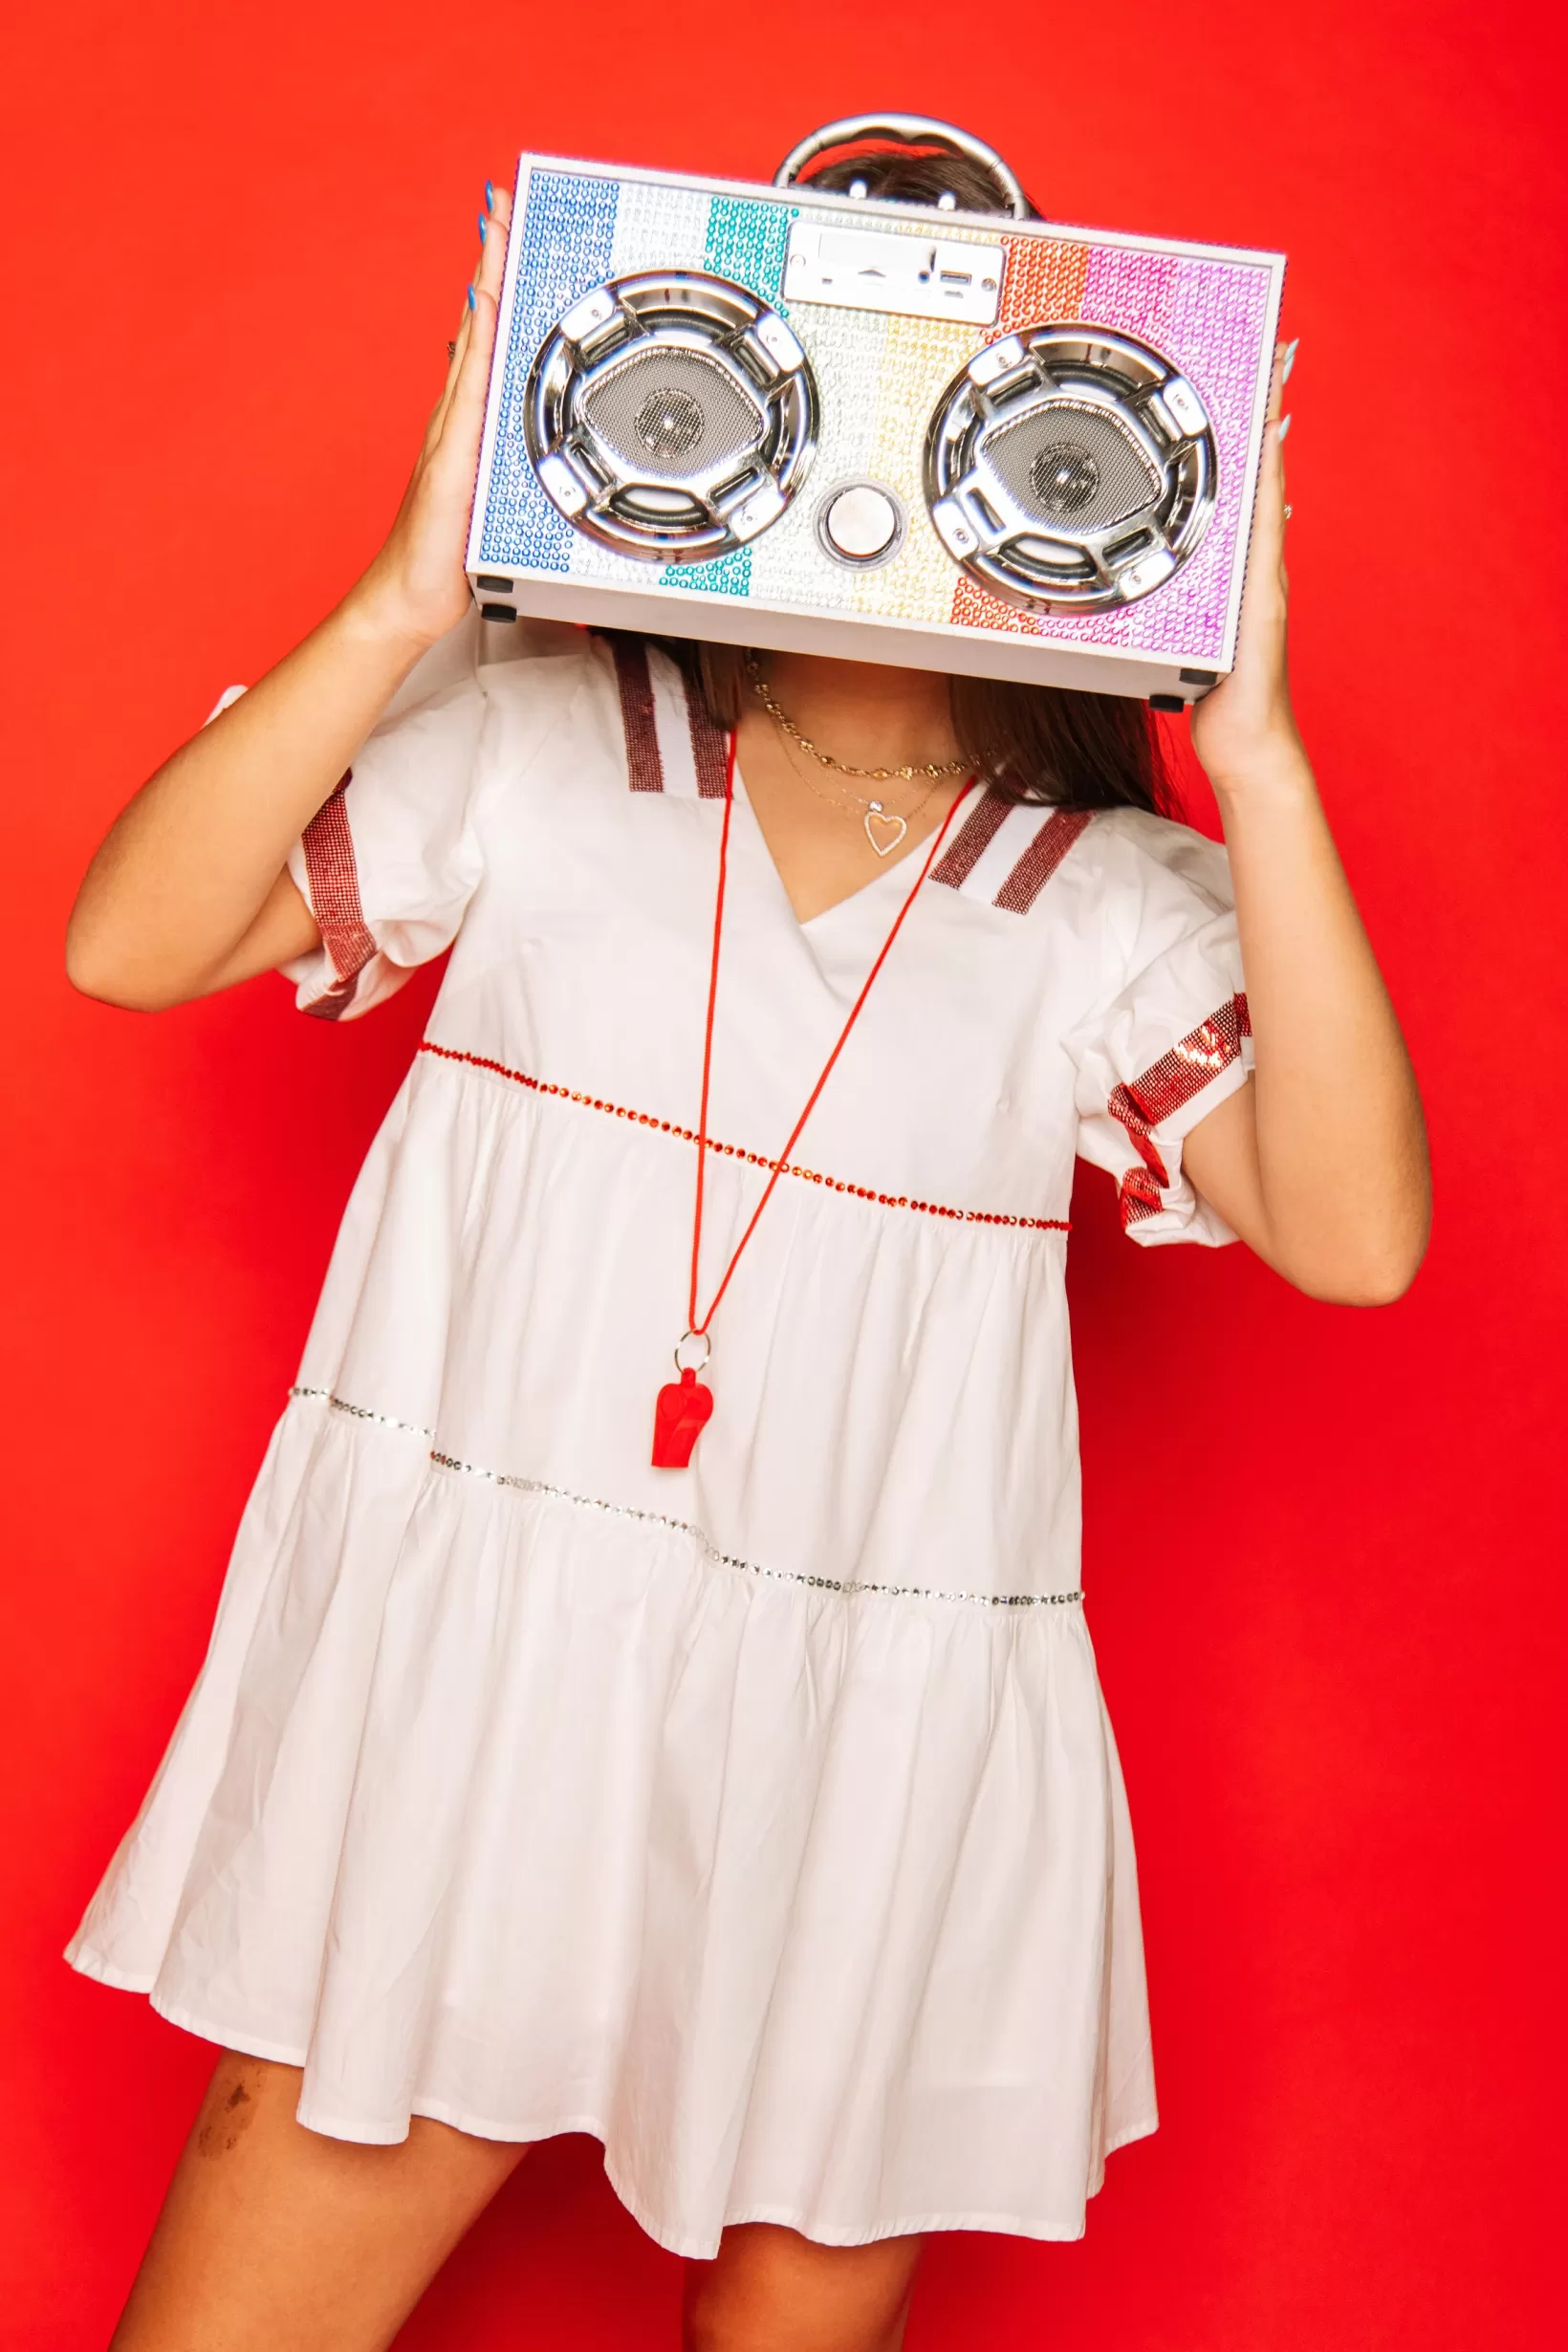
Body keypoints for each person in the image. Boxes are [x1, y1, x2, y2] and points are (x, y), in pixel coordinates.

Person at [63, 131, 1429, 2352]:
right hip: (478, 1703)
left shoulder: (1092, 905)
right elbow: (130, 945)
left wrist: (1248, 751)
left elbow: (1355, 1245)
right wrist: (420, 589)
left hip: (866, 1733)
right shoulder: (528, 750)